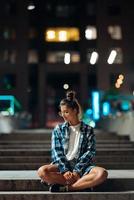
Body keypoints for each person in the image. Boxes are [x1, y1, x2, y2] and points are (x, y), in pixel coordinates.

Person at [37, 90, 108, 192]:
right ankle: (83, 184)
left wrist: (77, 171)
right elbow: (57, 152)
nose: (63, 115)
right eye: (62, 112)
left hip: (82, 166)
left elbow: (90, 151)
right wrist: (65, 170)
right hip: (63, 165)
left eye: (66, 112)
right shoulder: (58, 129)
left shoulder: (88, 129)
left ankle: (68, 188)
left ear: (75, 110)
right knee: (42, 171)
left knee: (102, 173)